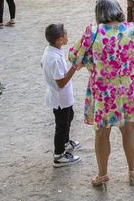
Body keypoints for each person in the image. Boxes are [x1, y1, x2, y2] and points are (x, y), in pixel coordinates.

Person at [69, 0, 134, 188]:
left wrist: (91, 65)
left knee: (102, 133)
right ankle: (132, 171)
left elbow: (73, 56)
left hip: (104, 92)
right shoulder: (133, 29)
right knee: (129, 130)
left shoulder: (93, 32)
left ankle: (102, 175)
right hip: (128, 88)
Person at [41, 23, 81, 167]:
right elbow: (61, 83)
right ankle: (59, 155)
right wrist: (74, 67)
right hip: (60, 97)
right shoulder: (55, 58)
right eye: (65, 35)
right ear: (59, 40)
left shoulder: (51, 50)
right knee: (61, 125)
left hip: (61, 97)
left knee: (69, 117)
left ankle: (65, 142)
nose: (67, 36)